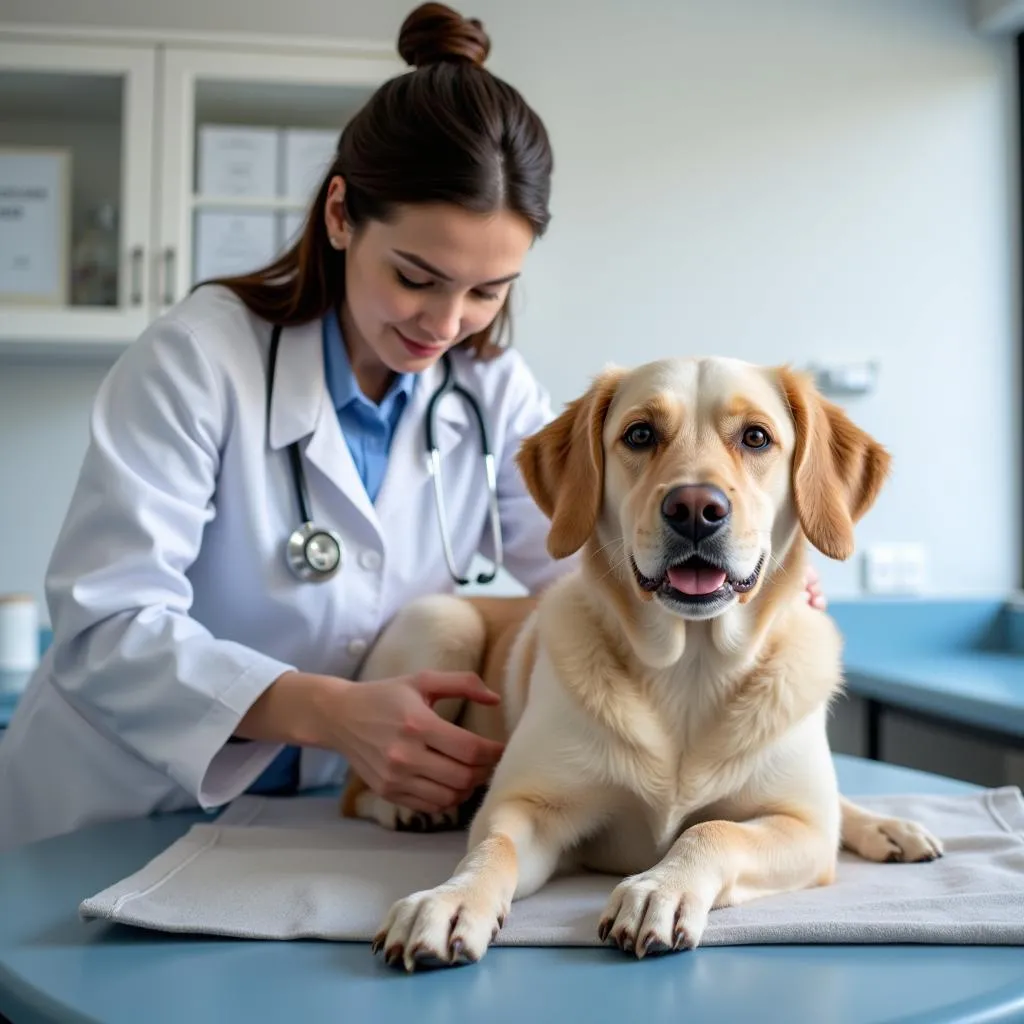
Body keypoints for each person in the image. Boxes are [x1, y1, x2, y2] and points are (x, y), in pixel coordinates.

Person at [0, 2, 826, 853]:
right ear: (339, 217)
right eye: (416, 277)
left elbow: (584, 563)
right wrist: (328, 711)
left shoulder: (492, 391)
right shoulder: (199, 360)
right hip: (119, 806)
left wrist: (735, 580)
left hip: (324, 816)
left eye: (488, 290)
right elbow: (106, 625)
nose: (446, 322)